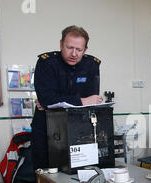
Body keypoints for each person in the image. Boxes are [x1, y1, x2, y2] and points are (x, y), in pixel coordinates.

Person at [31, 25, 103, 170]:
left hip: (79, 129)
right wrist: (81, 101)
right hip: (47, 130)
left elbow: (92, 101)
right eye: (69, 47)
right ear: (61, 44)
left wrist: (56, 101)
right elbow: (46, 99)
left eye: (79, 50)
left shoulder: (91, 65)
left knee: (80, 173)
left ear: (85, 50)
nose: (74, 54)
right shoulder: (47, 63)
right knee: (45, 175)